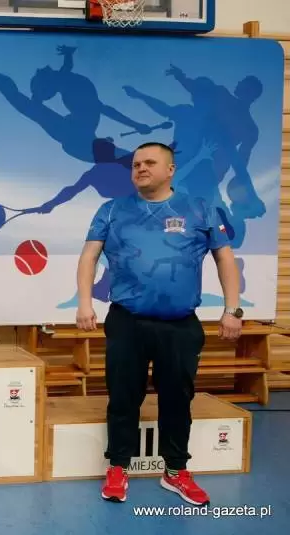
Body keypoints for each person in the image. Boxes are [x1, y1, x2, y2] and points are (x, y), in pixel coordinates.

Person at [75, 142, 242, 506]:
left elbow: (225, 260)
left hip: (180, 325)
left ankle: (176, 470)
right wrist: (84, 303)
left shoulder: (200, 209)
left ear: (170, 170)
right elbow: (89, 257)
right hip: (127, 322)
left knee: (177, 399)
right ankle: (118, 466)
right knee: (123, 397)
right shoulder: (111, 209)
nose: (140, 168)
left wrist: (233, 309)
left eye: (150, 162)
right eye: (136, 164)